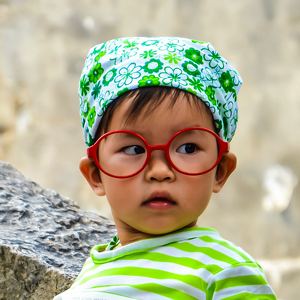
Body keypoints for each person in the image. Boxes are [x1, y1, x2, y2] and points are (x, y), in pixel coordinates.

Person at [54, 37, 277, 300]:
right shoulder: (93, 271)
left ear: (220, 170)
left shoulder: (225, 272)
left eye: (187, 148)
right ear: (96, 175)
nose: (160, 171)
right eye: (134, 149)